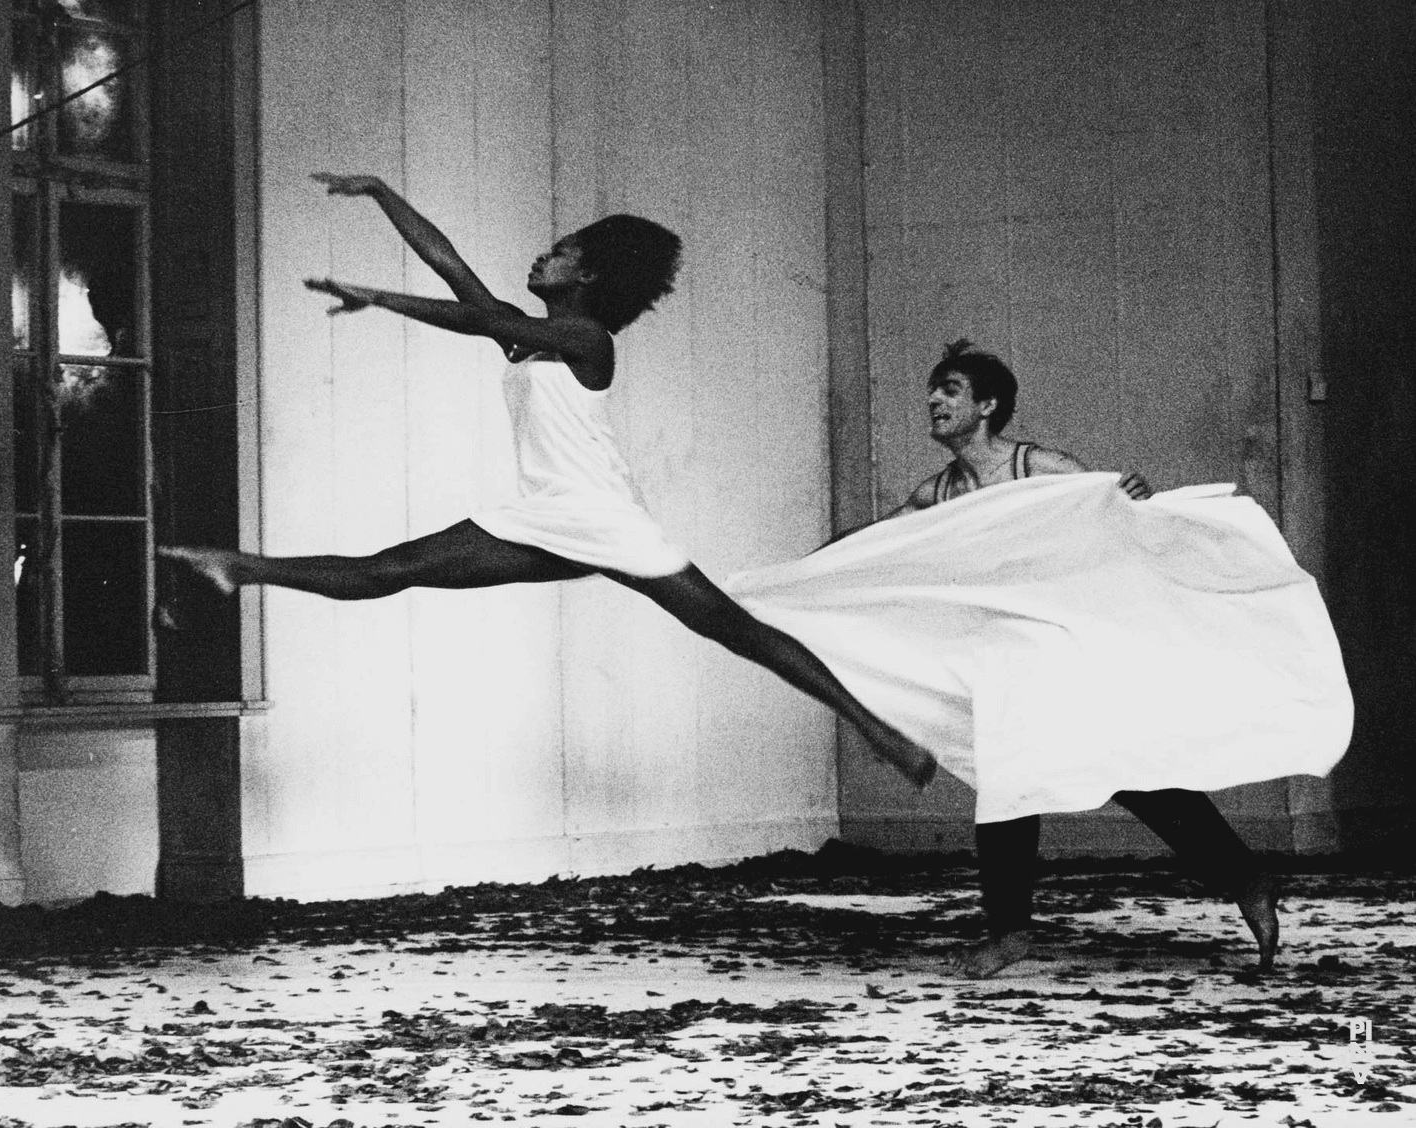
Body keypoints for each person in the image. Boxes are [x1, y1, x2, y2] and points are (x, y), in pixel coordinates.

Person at [158, 173, 937, 791]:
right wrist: (382, 195)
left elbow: (476, 318)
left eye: (556, 253)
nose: (540, 259)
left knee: (731, 629)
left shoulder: (584, 337)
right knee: (393, 570)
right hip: (542, 517)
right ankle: (241, 567)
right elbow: (451, 264)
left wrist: (379, 296)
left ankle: (876, 731)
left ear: (587, 275)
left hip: (604, 520)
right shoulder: (533, 344)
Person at [887, 340, 1278, 978]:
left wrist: (1133, 494)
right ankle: (1011, 931)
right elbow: (874, 546)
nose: (934, 400)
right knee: (1009, 776)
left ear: (986, 405)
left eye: (951, 389)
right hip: (1007, 655)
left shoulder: (1033, 464)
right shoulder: (937, 492)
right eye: (934, 389)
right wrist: (795, 576)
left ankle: (1243, 875)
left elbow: (1120, 513)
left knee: (1124, 769)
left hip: (1061, 645)